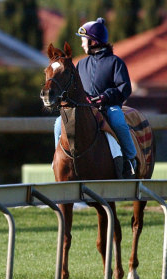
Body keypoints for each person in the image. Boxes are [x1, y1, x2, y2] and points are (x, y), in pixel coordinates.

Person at [53, 17, 137, 179]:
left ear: (93, 42)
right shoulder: (81, 64)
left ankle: (130, 160)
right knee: (58, 123)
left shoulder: (115, 62)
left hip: (108, 107)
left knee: (118, 121)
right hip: (85, 109)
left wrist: (104, 97)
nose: (82, 44)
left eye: (84, 40)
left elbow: (124, 88)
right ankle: (59, 161)